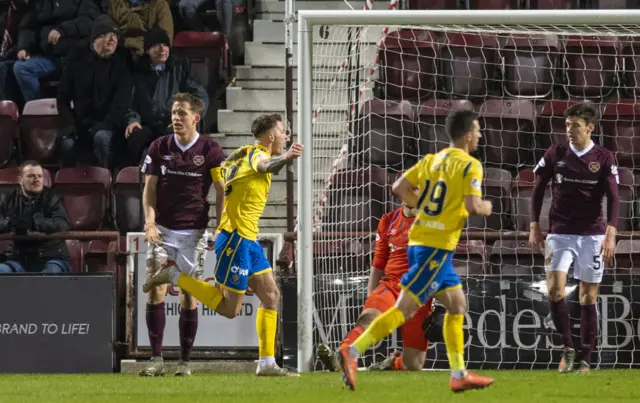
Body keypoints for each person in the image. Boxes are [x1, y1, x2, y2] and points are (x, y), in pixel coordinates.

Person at [337, 109, 494, 393]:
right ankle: (354, 351)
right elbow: (473, 207)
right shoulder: (470, 165)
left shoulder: (432, 160)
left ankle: (459, 374)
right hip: (432, 248)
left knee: (458, 306)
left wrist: (425, 208)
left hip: (432, 247)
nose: (481, 136)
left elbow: (399, 186)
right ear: (469, 135)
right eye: (479, 131)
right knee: (404, 311)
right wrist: (487, 207)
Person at [143, 113, 304, 376]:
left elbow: (230, 171)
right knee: (230, 309)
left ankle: (266, 363)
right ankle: (174, 275)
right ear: (271, 136)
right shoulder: (256, 153)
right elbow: (265, 166)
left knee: (271, 296)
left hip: (248, 238)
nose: (286, 136)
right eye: (283, 131)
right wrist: (286, 157)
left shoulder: (242, 153)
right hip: (235, 238)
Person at [139, 92, 226, 376]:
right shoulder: (159, 146)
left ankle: (185, 363)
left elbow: (222, 189)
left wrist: (219, 224)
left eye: (182, 113)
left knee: (189, 294)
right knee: (156, 290)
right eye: (174, 112)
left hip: (194, 230)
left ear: (195, 118)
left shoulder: (211, 150)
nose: (176, 117)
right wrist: (149, 223)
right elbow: (149, 189)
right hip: (162, 228)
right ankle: (156, 360)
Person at [529, 102, 619, 374]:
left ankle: (587, 359)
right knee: (555, 290)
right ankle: (568, 348)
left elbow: (614, 197)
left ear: (590, 127)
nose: (569, 130)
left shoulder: (604, 157)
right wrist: (535, 225)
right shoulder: (556, 153)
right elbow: (537, 189)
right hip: (560, 232)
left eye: (575, 126)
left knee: (588, 298)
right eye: (567, 125)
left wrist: (610, 234)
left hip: (592, 234)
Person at [318, 198, 435, 372]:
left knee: (413, 365)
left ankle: (391, 364)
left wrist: (439, 304)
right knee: (370, 318)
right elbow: (378, 263)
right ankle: (342, 356)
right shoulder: (388, 221)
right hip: (392, 285)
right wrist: (371, 298)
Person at [56, 15, 133, 168]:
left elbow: (121, 101)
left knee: (101, 138)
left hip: (108, 124)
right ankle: (67, 187)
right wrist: (69, 125)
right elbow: (62, 98)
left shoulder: (122, 61)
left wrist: (107, 124)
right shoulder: (77, 58)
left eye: (115, 36)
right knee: (66, 143)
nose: (112, 39)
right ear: (94, 39)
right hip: (79, 122)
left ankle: (105, 183)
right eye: (105, 35)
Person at [125, 26, 208, 166]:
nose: (162, 49)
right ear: (147, 50)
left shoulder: (180, 67)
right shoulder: (139, 73)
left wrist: (188, 116)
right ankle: (139, 176)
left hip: (173, 122)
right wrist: (133, 120)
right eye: (157, 45)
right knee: (135, 135)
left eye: (165, 45)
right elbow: (131, 104)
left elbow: (200, 96)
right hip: (149, 125)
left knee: (176, 134)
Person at [0, 161, 71, 273]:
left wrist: (35, 223)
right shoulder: (8, 199)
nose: (36, 179)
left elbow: (63, 224)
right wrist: (11, 223)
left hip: (51, 257)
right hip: (18, 258)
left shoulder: (52, 197)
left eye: (39, 176)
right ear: (20, 180)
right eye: (31, 176)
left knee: (50, 273)